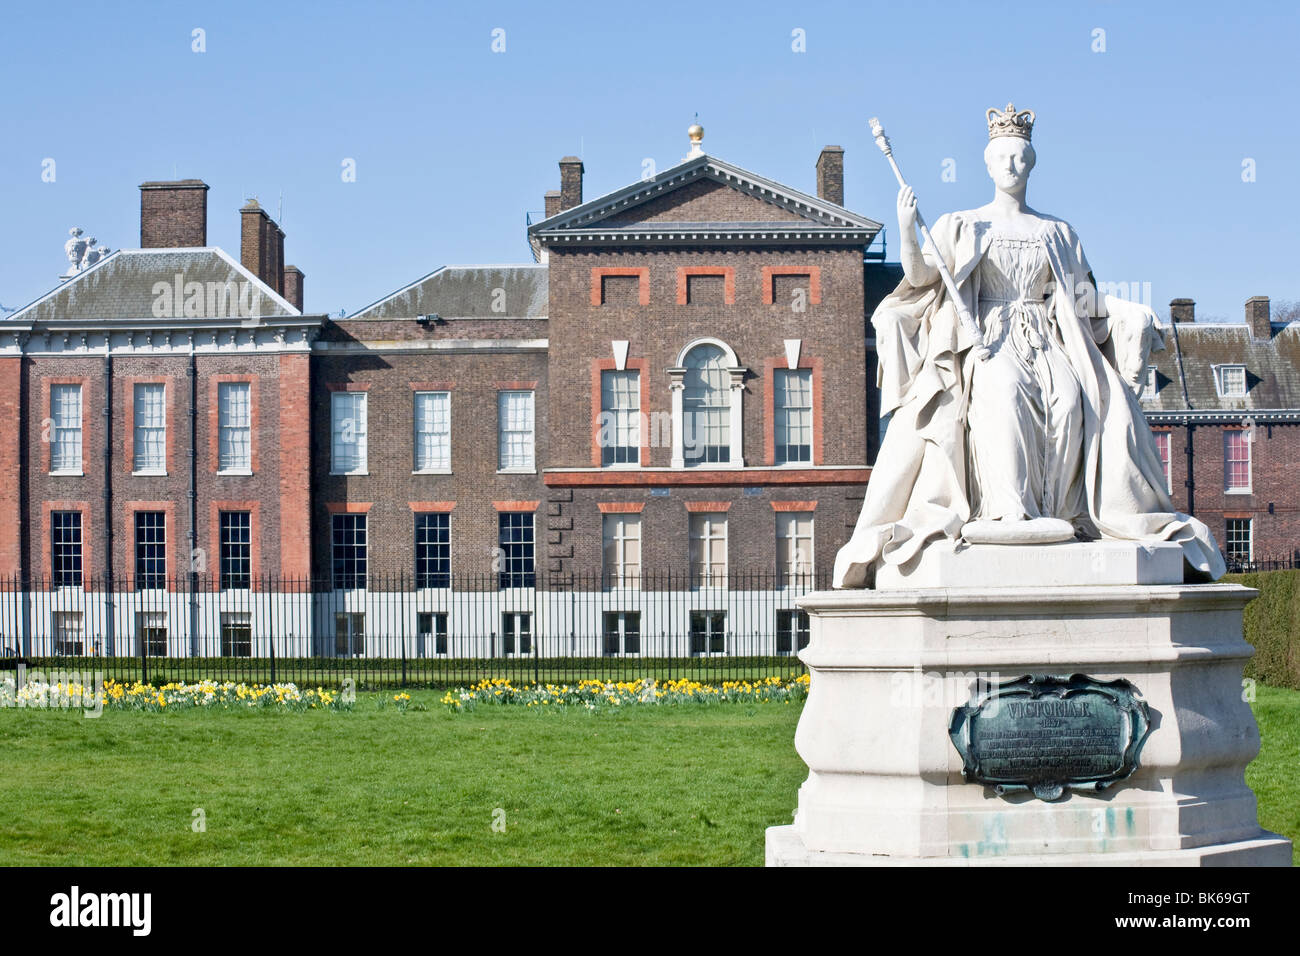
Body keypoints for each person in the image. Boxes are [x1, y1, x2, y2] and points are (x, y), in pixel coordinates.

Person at [834, 104, 1225, 588]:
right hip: (987, 338)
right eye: (1003, 159)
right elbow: (920, 279)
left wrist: (1127, 312)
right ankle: (1009, 513)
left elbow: (1085, 299)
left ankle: (1060, 513)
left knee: (1068, 400)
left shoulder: (1057, 232)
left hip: (1045, 335)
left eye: (1020, 158)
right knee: (1005, 394)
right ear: (987, 164)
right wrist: (907, 228)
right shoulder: (962, 224)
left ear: (1031, 163)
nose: (1011, 167)